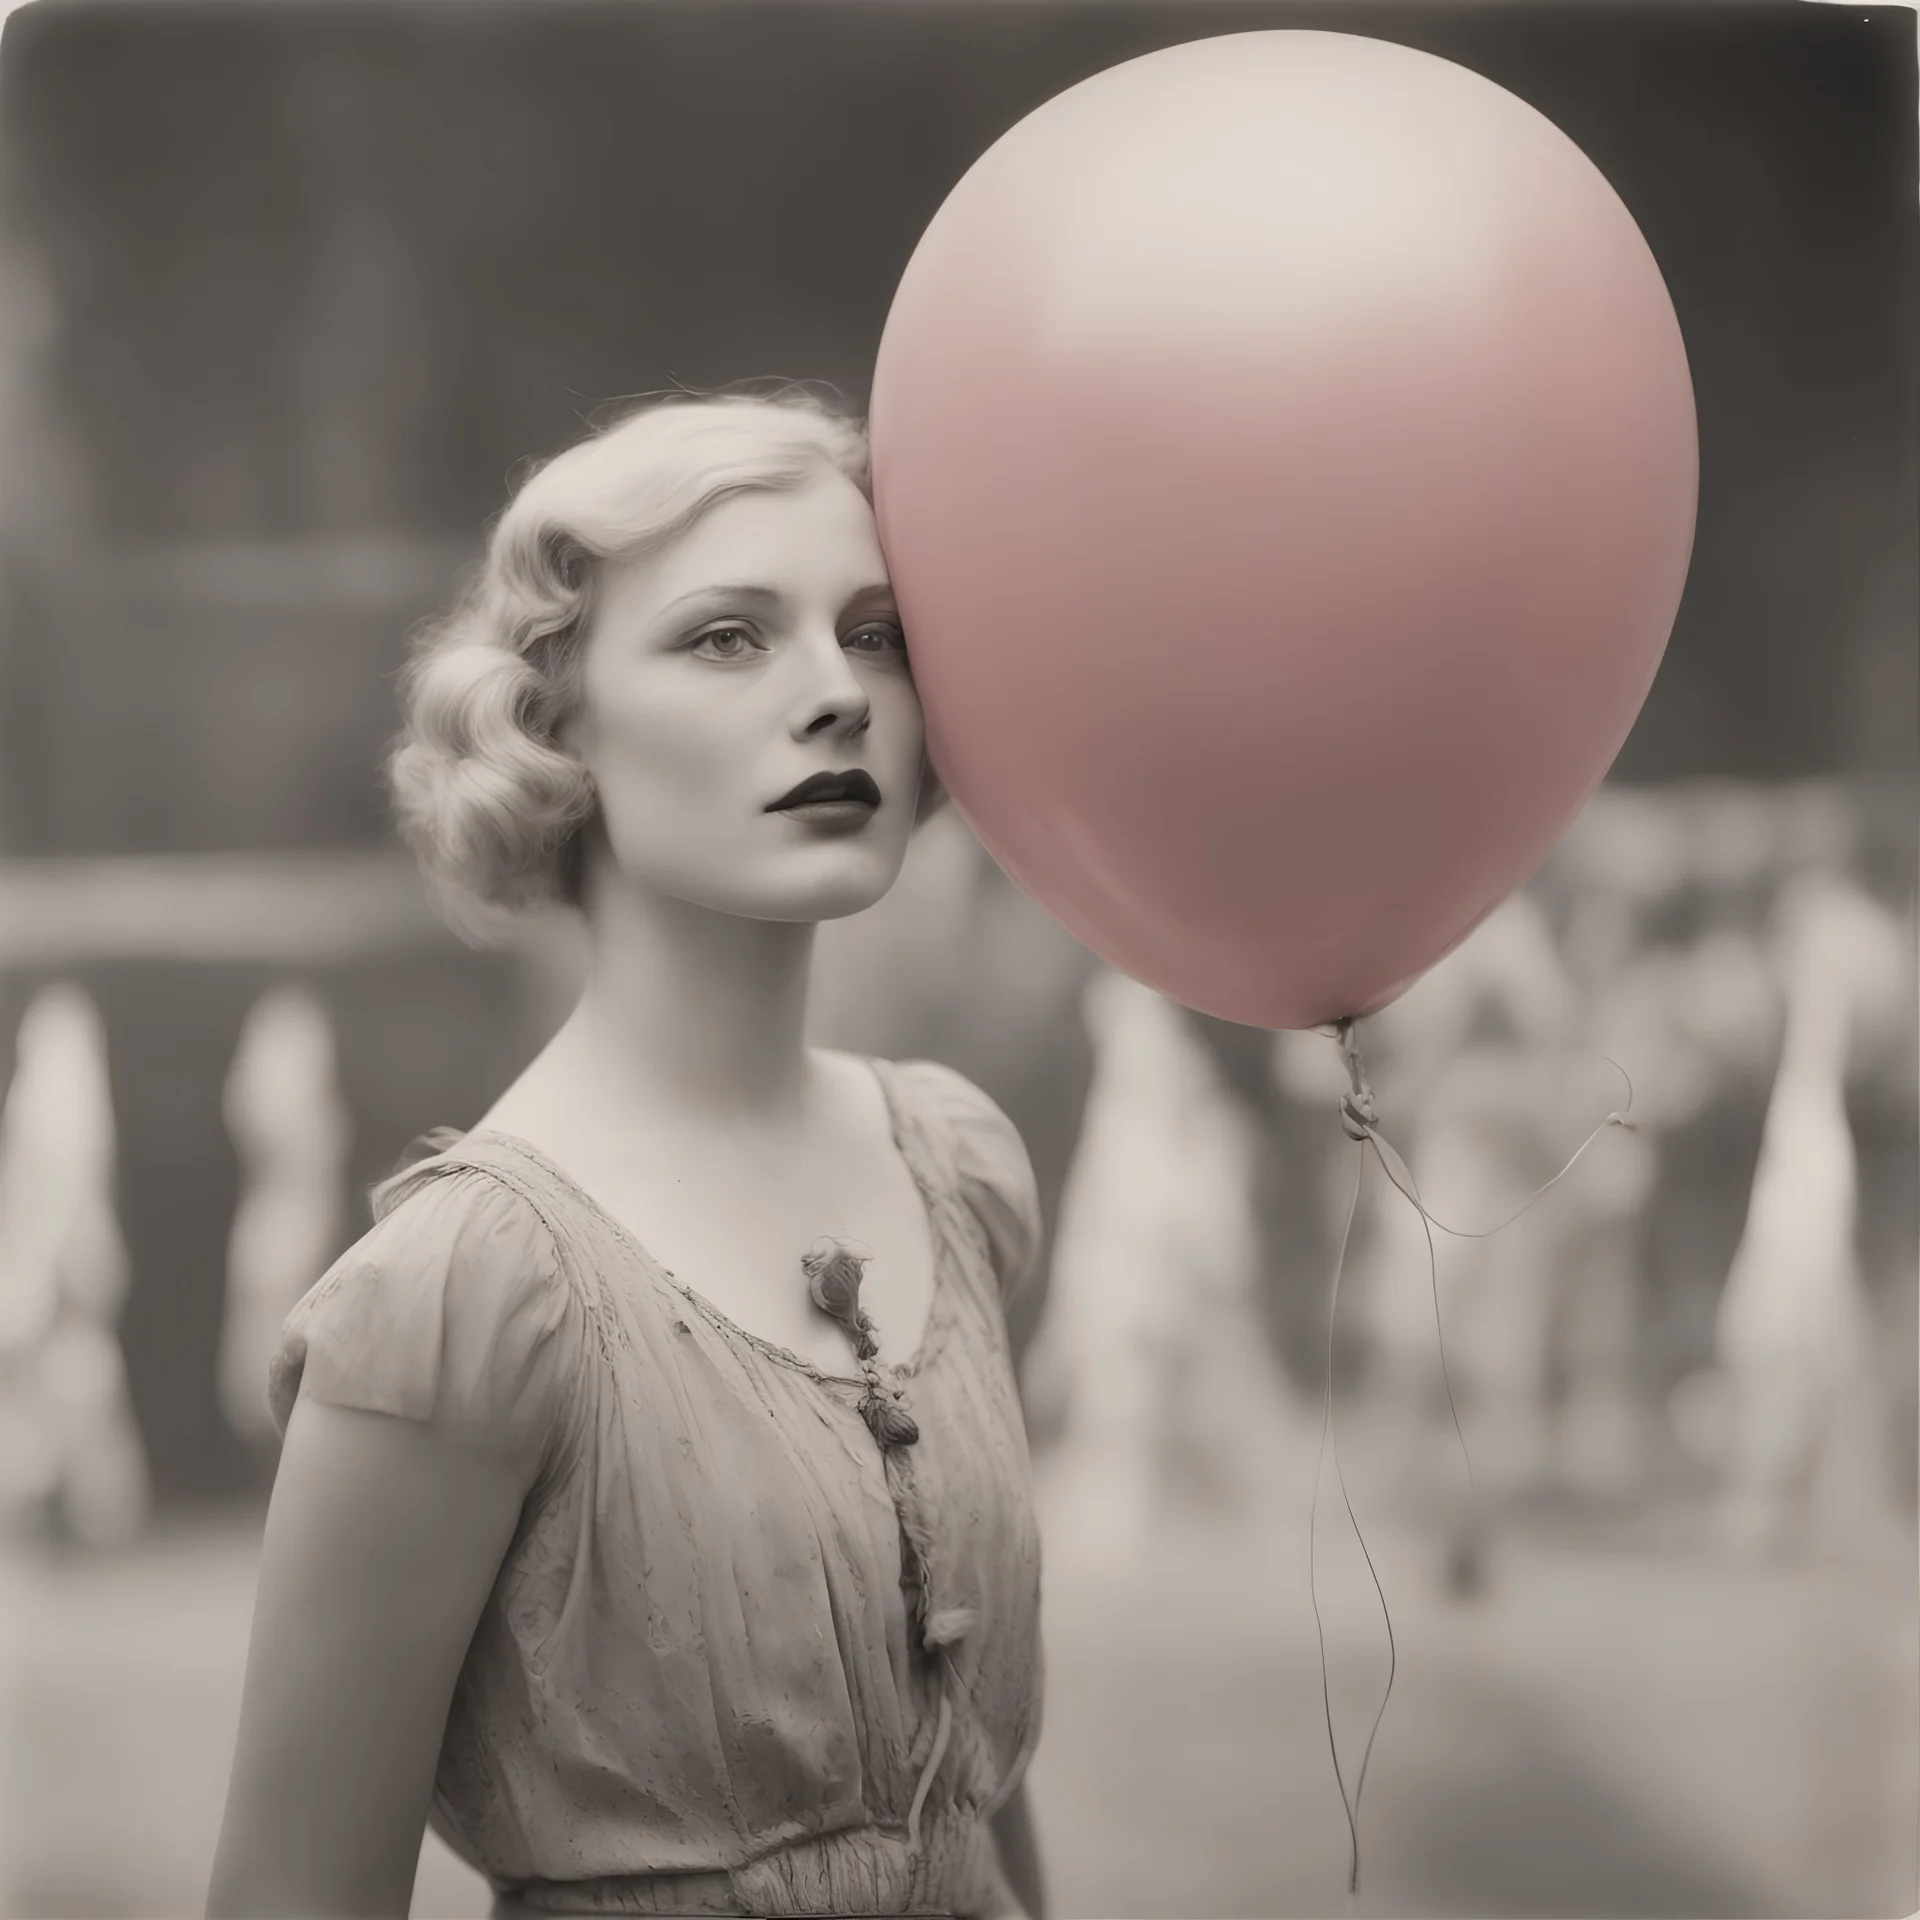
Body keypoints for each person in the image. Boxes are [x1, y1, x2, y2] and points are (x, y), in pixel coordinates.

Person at [206, 387, 1049, 1920]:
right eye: (728, 637)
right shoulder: (462, 1300)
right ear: (555, 725)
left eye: (875, 635)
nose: (838, 694)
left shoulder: (960, 1167)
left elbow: (977, 1793)